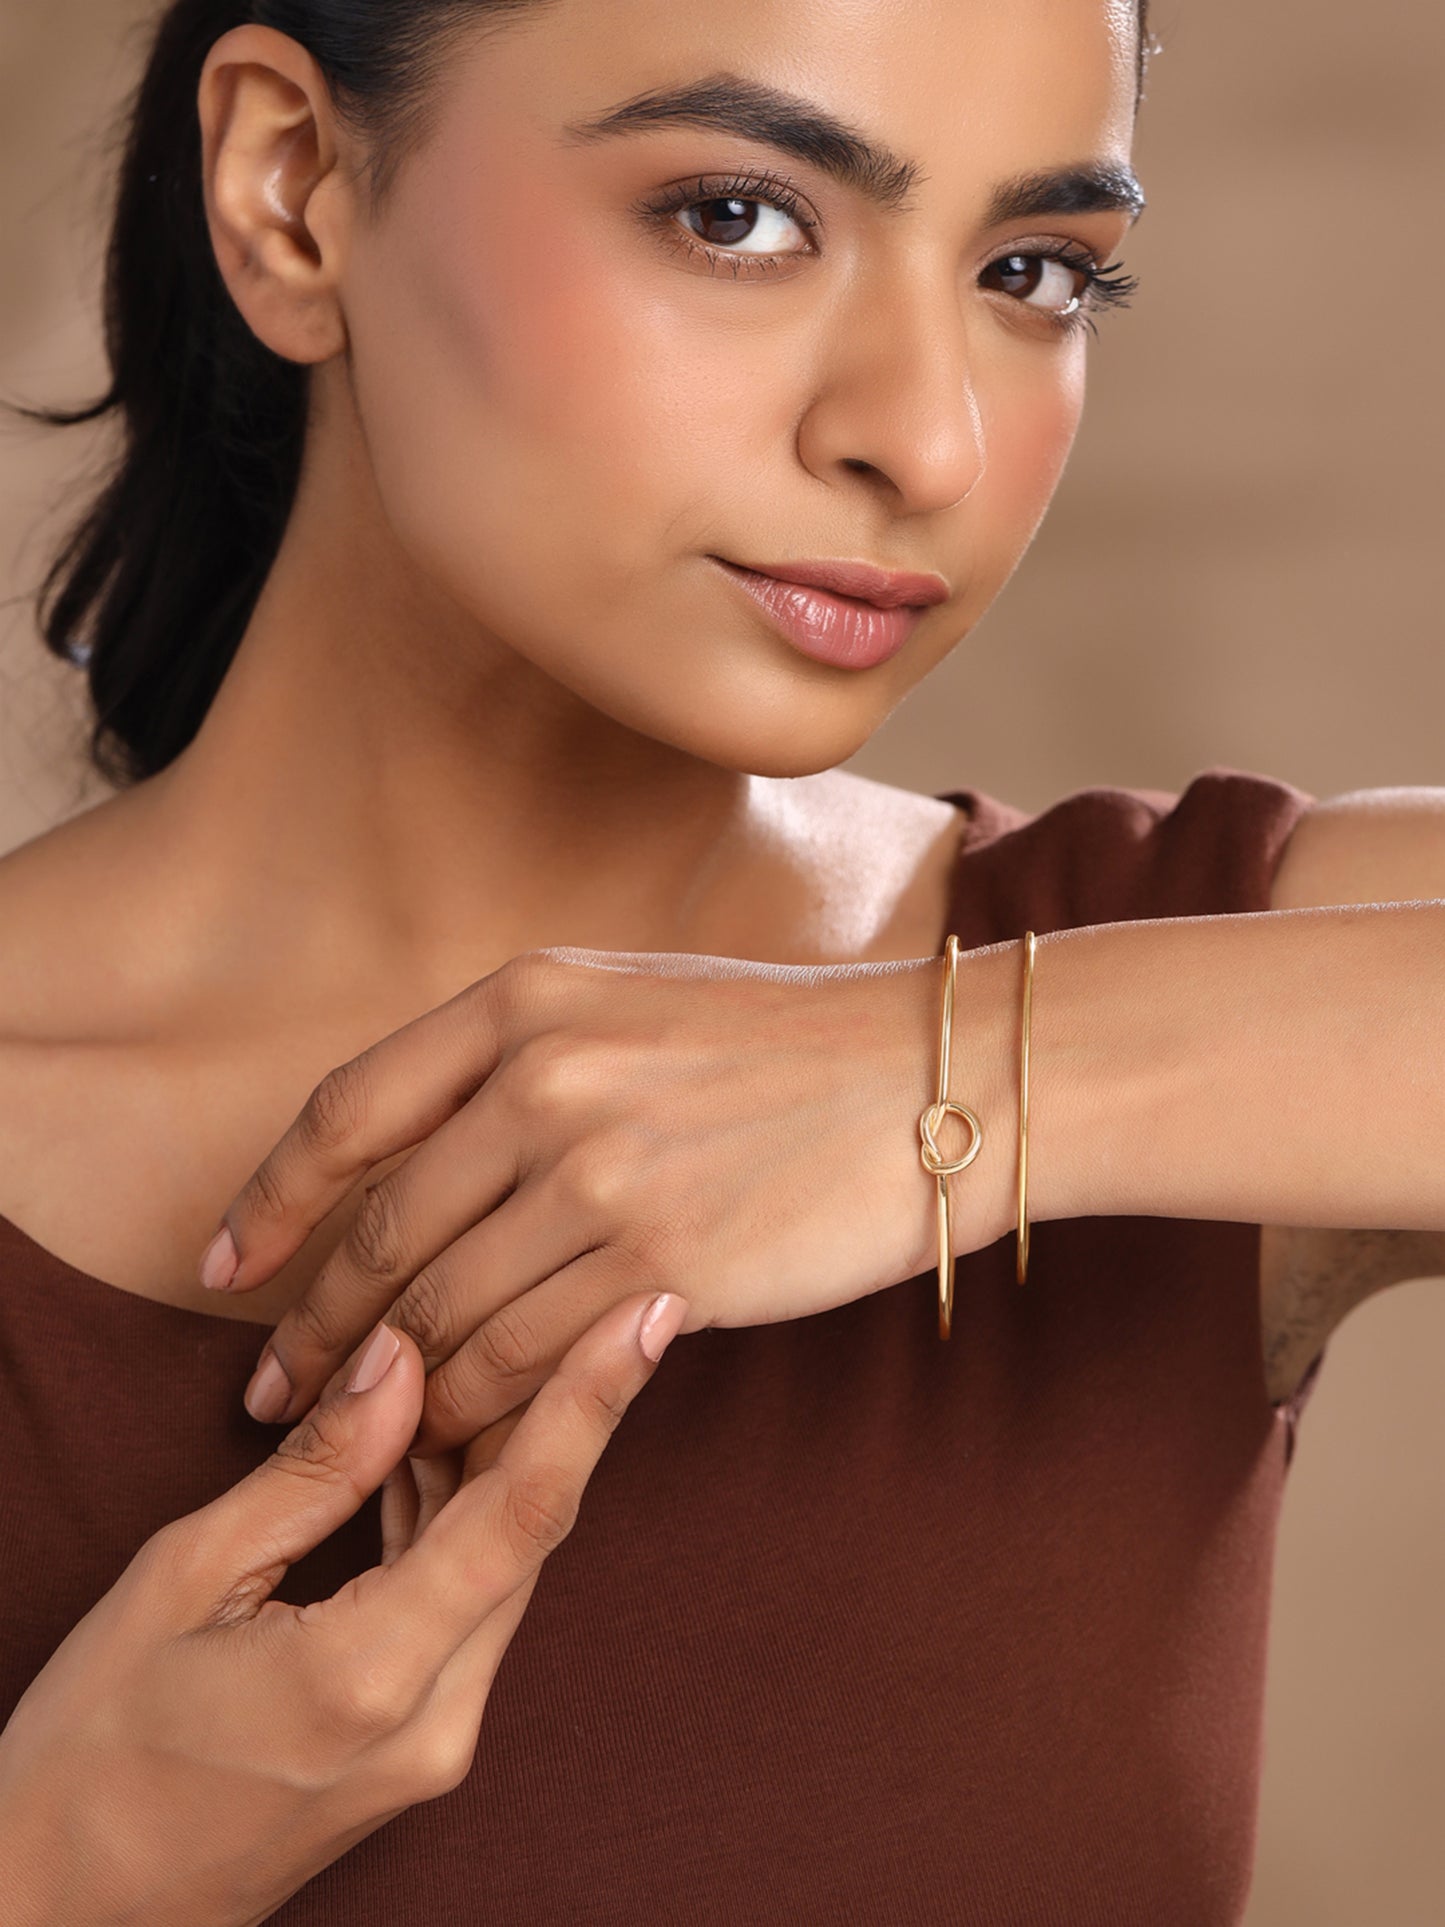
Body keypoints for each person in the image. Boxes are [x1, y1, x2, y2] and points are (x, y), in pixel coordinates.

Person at [0, 0, 1439, 1920]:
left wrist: (954, 1078)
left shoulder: (1178, 962)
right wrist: (58, 1868)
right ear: (292, 186)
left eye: (1031, 272)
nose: (923, 438)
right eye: (739, 217)